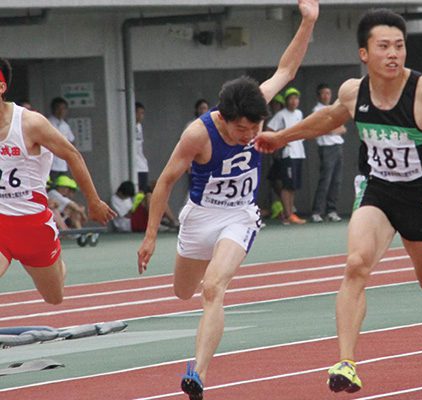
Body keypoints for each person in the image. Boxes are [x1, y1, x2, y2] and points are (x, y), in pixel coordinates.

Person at [255, 8, 422, 393]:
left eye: (399, 46)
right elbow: (330, 119)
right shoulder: (354, 92)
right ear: (364, 53)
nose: (393, 54)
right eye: (383, 46)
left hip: (421, 199)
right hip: (377, 191)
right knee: (355, 264)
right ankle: (346, 362)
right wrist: (282, 138)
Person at [136, 1, 318, 399]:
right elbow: (165, 182)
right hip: (200, 217)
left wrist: (308, 20)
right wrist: (150, 236)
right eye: (242, 129)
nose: (250, 134)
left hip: (239, 215)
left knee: (213, 288)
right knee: (183, 291)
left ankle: (197, 373)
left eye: (256, 127)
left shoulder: (254, 107)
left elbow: (286, 70)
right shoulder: (197, 135)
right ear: (224, 116)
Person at [0, 57, 115, 305]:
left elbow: (73, 155)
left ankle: (59, 267)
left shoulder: (30, 123)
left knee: (54, 297)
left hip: (33, 226)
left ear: (1, 87)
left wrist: (93, 201)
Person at [266, 86, 306, 224]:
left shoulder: (299, 114)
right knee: (286, 185)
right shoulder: (281, 115)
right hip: (287, 154)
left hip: (299, 152)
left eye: (296, 98)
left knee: (293, 186)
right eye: (291, 98)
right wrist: (279, 141)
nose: (294, 101)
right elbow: (269, 129)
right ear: (287, 100)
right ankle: (288, 215)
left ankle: (290, 213)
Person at [310, 83, 346, 223]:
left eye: (329, 93)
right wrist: (330, 129)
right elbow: (319, 129)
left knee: (336, 180)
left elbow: (342, 129)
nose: (326, 96)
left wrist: (331, 129)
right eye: (324, 93)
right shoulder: (317, 110)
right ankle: (317, 212)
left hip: (338, 146)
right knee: (325, 180)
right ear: (319, 95)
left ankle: (331, 210)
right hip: (326, 148)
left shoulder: (334, 108)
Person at [48, 97, 75, 180]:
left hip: (63, 163)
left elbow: (71, 141)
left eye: (63, 108)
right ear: (53, 109)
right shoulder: (47, 123)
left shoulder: (65, 125)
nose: (61, 111)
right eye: (58, 108)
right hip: (50, 164)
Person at [134, 101, 150, 192]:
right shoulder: (127, 125)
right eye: (138, 113)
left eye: (142, 113)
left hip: (142, 165)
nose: (140, 116)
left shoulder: (139, 126)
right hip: (134, 166)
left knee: (143, 192)